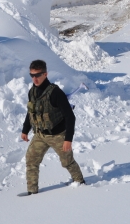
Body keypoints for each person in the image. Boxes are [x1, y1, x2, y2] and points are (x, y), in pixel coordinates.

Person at [21, 60, 85, 195]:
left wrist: (68, 139)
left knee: (67, 162)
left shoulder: (56, 93)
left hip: (58, 135)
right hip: (40, 135)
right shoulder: (32, 92)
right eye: (32, 75)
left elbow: (70, 117)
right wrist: (25, 130)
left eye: (38, 75)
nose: (35, 78)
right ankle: (32, 193)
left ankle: (80, 183)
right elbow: (31, 112)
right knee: (31, 161)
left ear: (45, 74)